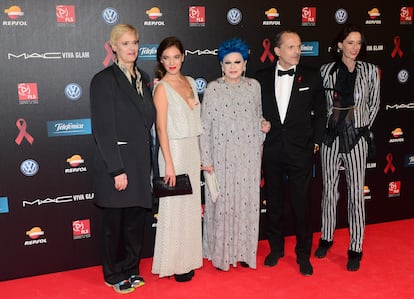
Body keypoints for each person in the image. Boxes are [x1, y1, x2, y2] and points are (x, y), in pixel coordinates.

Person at [89, 24, 156, 294]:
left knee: (134, 222)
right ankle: (113, 272)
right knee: (114, 225)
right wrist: (116, 169)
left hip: (140, 164)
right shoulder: (103, 80)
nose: (132, 48)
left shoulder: (144, 78)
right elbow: (103, 129)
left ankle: (131, 268)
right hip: (115, 164)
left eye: (135, 42)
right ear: (113, 46)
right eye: (126, 43)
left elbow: (146, 120)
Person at [255, 30, 326, 276]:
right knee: (274, 202)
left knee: (301, 204)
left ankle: (303, 255)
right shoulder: (260, 78)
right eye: (291, 47)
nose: (297, 51)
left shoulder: (312, 76)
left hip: (300, 152)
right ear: (277, 51)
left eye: (299, 46)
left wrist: (315, 143)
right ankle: (276, 249)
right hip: (272, 149)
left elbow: (321, 113)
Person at [200, 38, 271, 271]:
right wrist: (206, 160)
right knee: (223, 206)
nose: (232, 66)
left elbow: (257, 115)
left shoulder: (254, 87)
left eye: (237, 62)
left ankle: (243, 251)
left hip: (248, 157)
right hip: (222, 158)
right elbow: (205, 126)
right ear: (221, 64)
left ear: (245, 63)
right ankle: (222, 255)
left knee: (246, 204)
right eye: (227, 62)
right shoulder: (213, 88)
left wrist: (263, 125)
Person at [314, 24, 380, 271]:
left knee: (355, 194)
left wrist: (360, 130)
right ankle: (326, 238)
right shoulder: (325, 71)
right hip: (331, 138)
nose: (354, 47)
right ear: (340, 44)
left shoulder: (371, 71)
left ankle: (356, 247)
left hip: (357, 139)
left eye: (358, 43)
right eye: (350, 42)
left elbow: (374, 105)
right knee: (329, 191)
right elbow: (321, 107)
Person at [151, 36, 203, 282]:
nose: (172, 62)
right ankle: (173, 263)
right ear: (161, 61)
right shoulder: (161, 88)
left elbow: (196, 119)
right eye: (166, 58)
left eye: (176, 56)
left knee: (191, 207)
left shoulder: (191, 81)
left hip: (192, 149)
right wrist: (169, 164)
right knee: (174, 208)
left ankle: (188, 259)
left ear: (183, 56)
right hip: (173, 151)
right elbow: (161, 128)